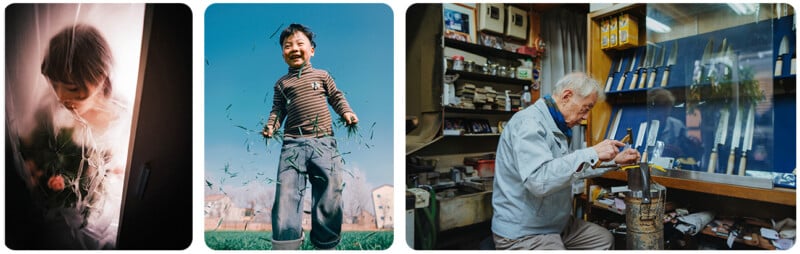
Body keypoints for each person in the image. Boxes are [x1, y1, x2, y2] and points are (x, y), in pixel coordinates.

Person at [491, 72, 640, 250]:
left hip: (554, 224)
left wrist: (615, 161)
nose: (586, 117)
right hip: (524, 231)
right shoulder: (529, 123)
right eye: (585, 108)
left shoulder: (556, 124)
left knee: (603, 240)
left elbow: (570, 169)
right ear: (566, 96)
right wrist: (591, 152)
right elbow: (538, 181)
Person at [17, 24, 130, 249]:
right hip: (57, 215)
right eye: (54, 85)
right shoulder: (52, 110)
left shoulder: (123, 118)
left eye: (70, 87)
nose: (60, 97)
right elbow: (32, 145)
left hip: (99, 218)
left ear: (99, 77)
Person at [262, 23, 359, 250]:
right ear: (283, 54)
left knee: (330, 191)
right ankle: (286, 243)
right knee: (286, 194)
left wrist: (346, 112)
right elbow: (278, 110)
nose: (294, 48)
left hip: (324, 143)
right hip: (292, 145)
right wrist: (271, 126)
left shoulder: (322, 75)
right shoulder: (282, 84)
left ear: (312, 50)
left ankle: (326, 243)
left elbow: (336, 96)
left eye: (300, 43)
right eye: (288, 46)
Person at [647, 88, 703, 168]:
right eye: (660, 113)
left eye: (666, 113)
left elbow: (690, 154)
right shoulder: (643, 126)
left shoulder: (677, 125)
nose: (663, 117)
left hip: (670, 168)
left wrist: (680, 151)